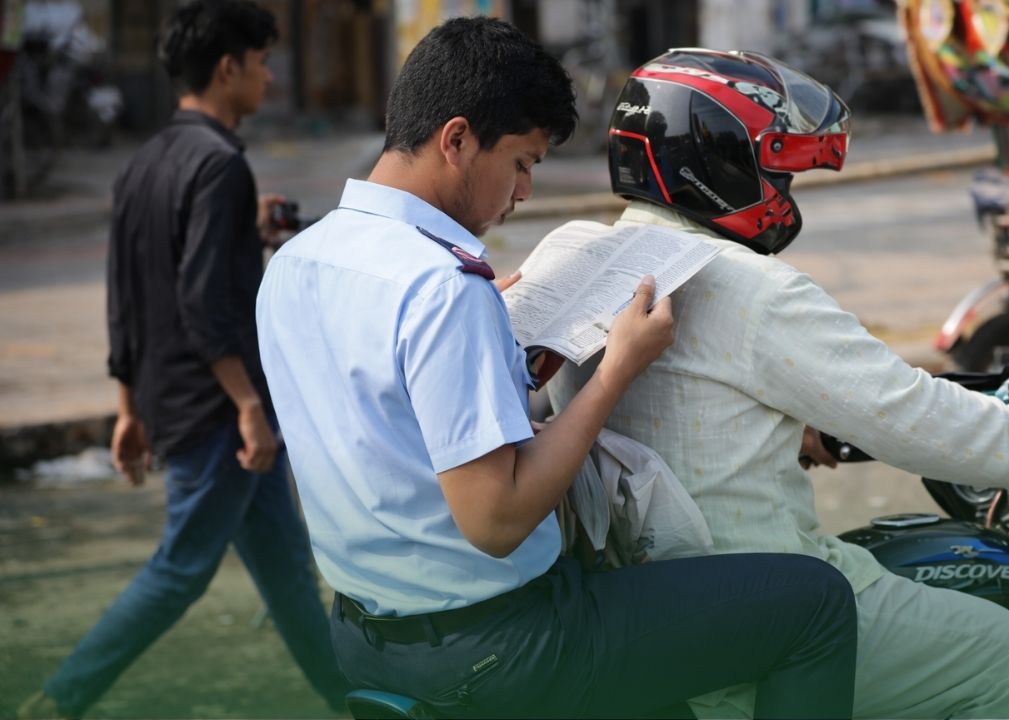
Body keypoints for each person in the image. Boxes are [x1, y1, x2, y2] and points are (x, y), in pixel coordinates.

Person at [255, 17, 859, 720]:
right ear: (456, 140)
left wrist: (502, 342)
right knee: (814, 602)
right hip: (504, 646)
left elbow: (383, 426)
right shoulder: (443, 288)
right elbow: (497, 518)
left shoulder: (299, 261)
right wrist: (616, 371)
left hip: (364, 634)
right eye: (521, 163)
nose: (523, 192)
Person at [545, 49, 1009, 719]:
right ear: (718, 159)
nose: (783, 187)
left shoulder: (582, 262)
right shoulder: (753, 290)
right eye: (775, 167)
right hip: (765, 600)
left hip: (644, 607)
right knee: (1000, 648)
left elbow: (672, 404)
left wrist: (780, 427)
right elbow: (910, 413)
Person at [17, 2, 347, 718]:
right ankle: (61, 698)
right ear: (228, 68)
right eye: (260, 63)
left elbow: (126, 291)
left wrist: (128, 409)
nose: (266, 77)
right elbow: (201, 302)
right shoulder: (221, 164)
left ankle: (355, 700)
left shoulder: (146, 160)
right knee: (181, 569)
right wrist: (250, 408)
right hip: (216, 410)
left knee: (289, 575)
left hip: (174, 398)